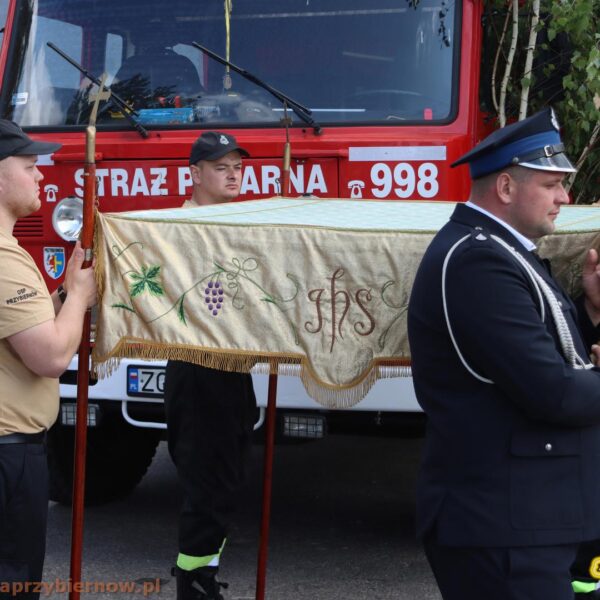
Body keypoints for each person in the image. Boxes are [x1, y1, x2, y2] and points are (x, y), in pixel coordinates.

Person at [407, 107, 600, 600]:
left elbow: (555, 356)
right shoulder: (478, 261)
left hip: (524, 519)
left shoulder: (501, 252)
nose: (564, 197)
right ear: (507, 187)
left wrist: (592, 311)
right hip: (501, 525)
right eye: (551, 184)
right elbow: (554, 392)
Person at [0, 120, 96, 598]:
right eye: (29, 166)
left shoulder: (10, 252)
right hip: (9, 455)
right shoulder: (3, 259)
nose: (41, 175)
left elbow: (23, 330)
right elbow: (52, 355)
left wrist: (63, 293)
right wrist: (79, 297)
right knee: (15, 583)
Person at [165, 131, 257, 600]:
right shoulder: (178, 229)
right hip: (198, 366)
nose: (234, 175)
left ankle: (205, 573)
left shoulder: (238, 223)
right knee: (207, 481)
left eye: (237, 167)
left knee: (228, 477)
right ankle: (195, 584)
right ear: (195, 174)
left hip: (233, 365)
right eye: (222, 168)